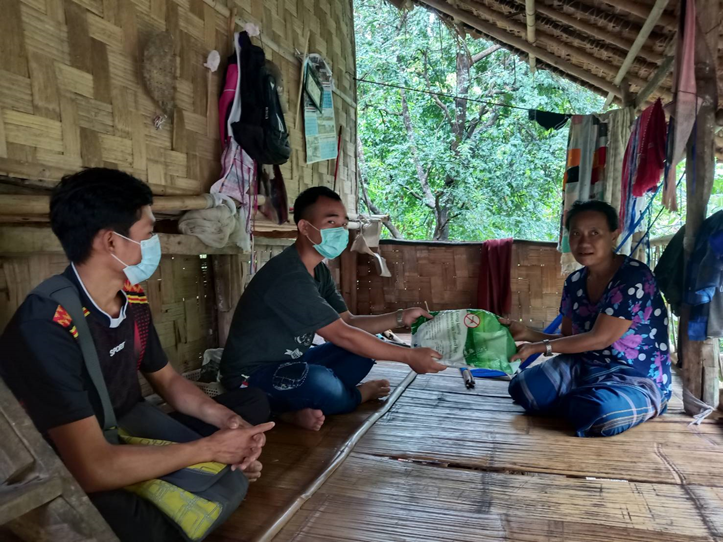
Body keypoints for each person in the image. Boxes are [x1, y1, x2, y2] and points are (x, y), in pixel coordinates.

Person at [0, 168, 275, 542]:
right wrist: (209, 449)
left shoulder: (132, 298)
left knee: (250, 406)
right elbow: (93, 466)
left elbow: (168, 380)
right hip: (77, 454)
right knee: (132, 522)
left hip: (129, 426)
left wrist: (229, 423)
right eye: (148, 232)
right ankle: (208, 476)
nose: (153, 240)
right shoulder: (48, 324)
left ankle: (213, 470)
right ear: (110, 242)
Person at [220, 186, 446, 431]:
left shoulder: (318, 270)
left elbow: (348, 322)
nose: (340, 231)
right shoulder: (287, 276)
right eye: (330, 222)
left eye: (343, 223)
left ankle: (290, 411)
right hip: (250, 377)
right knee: (319, 381)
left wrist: (400, 317)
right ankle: (355, 396)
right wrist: (409, 356)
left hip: (292, 364)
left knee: (368, 345)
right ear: (305, 227)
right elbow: (341, 334)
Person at [503, 200, 671, 437]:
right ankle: (581, 400)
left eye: (595, 233)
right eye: (575, 233)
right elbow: (570, 339)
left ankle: (598, 401)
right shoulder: (574, 282)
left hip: (634, 376)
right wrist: (529, 334)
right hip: (584, 366)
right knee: (522, 389)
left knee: (602, 412)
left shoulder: (633, 277)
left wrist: (537, 347)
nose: (584, 242)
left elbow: (599, 338)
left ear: (613, 235)